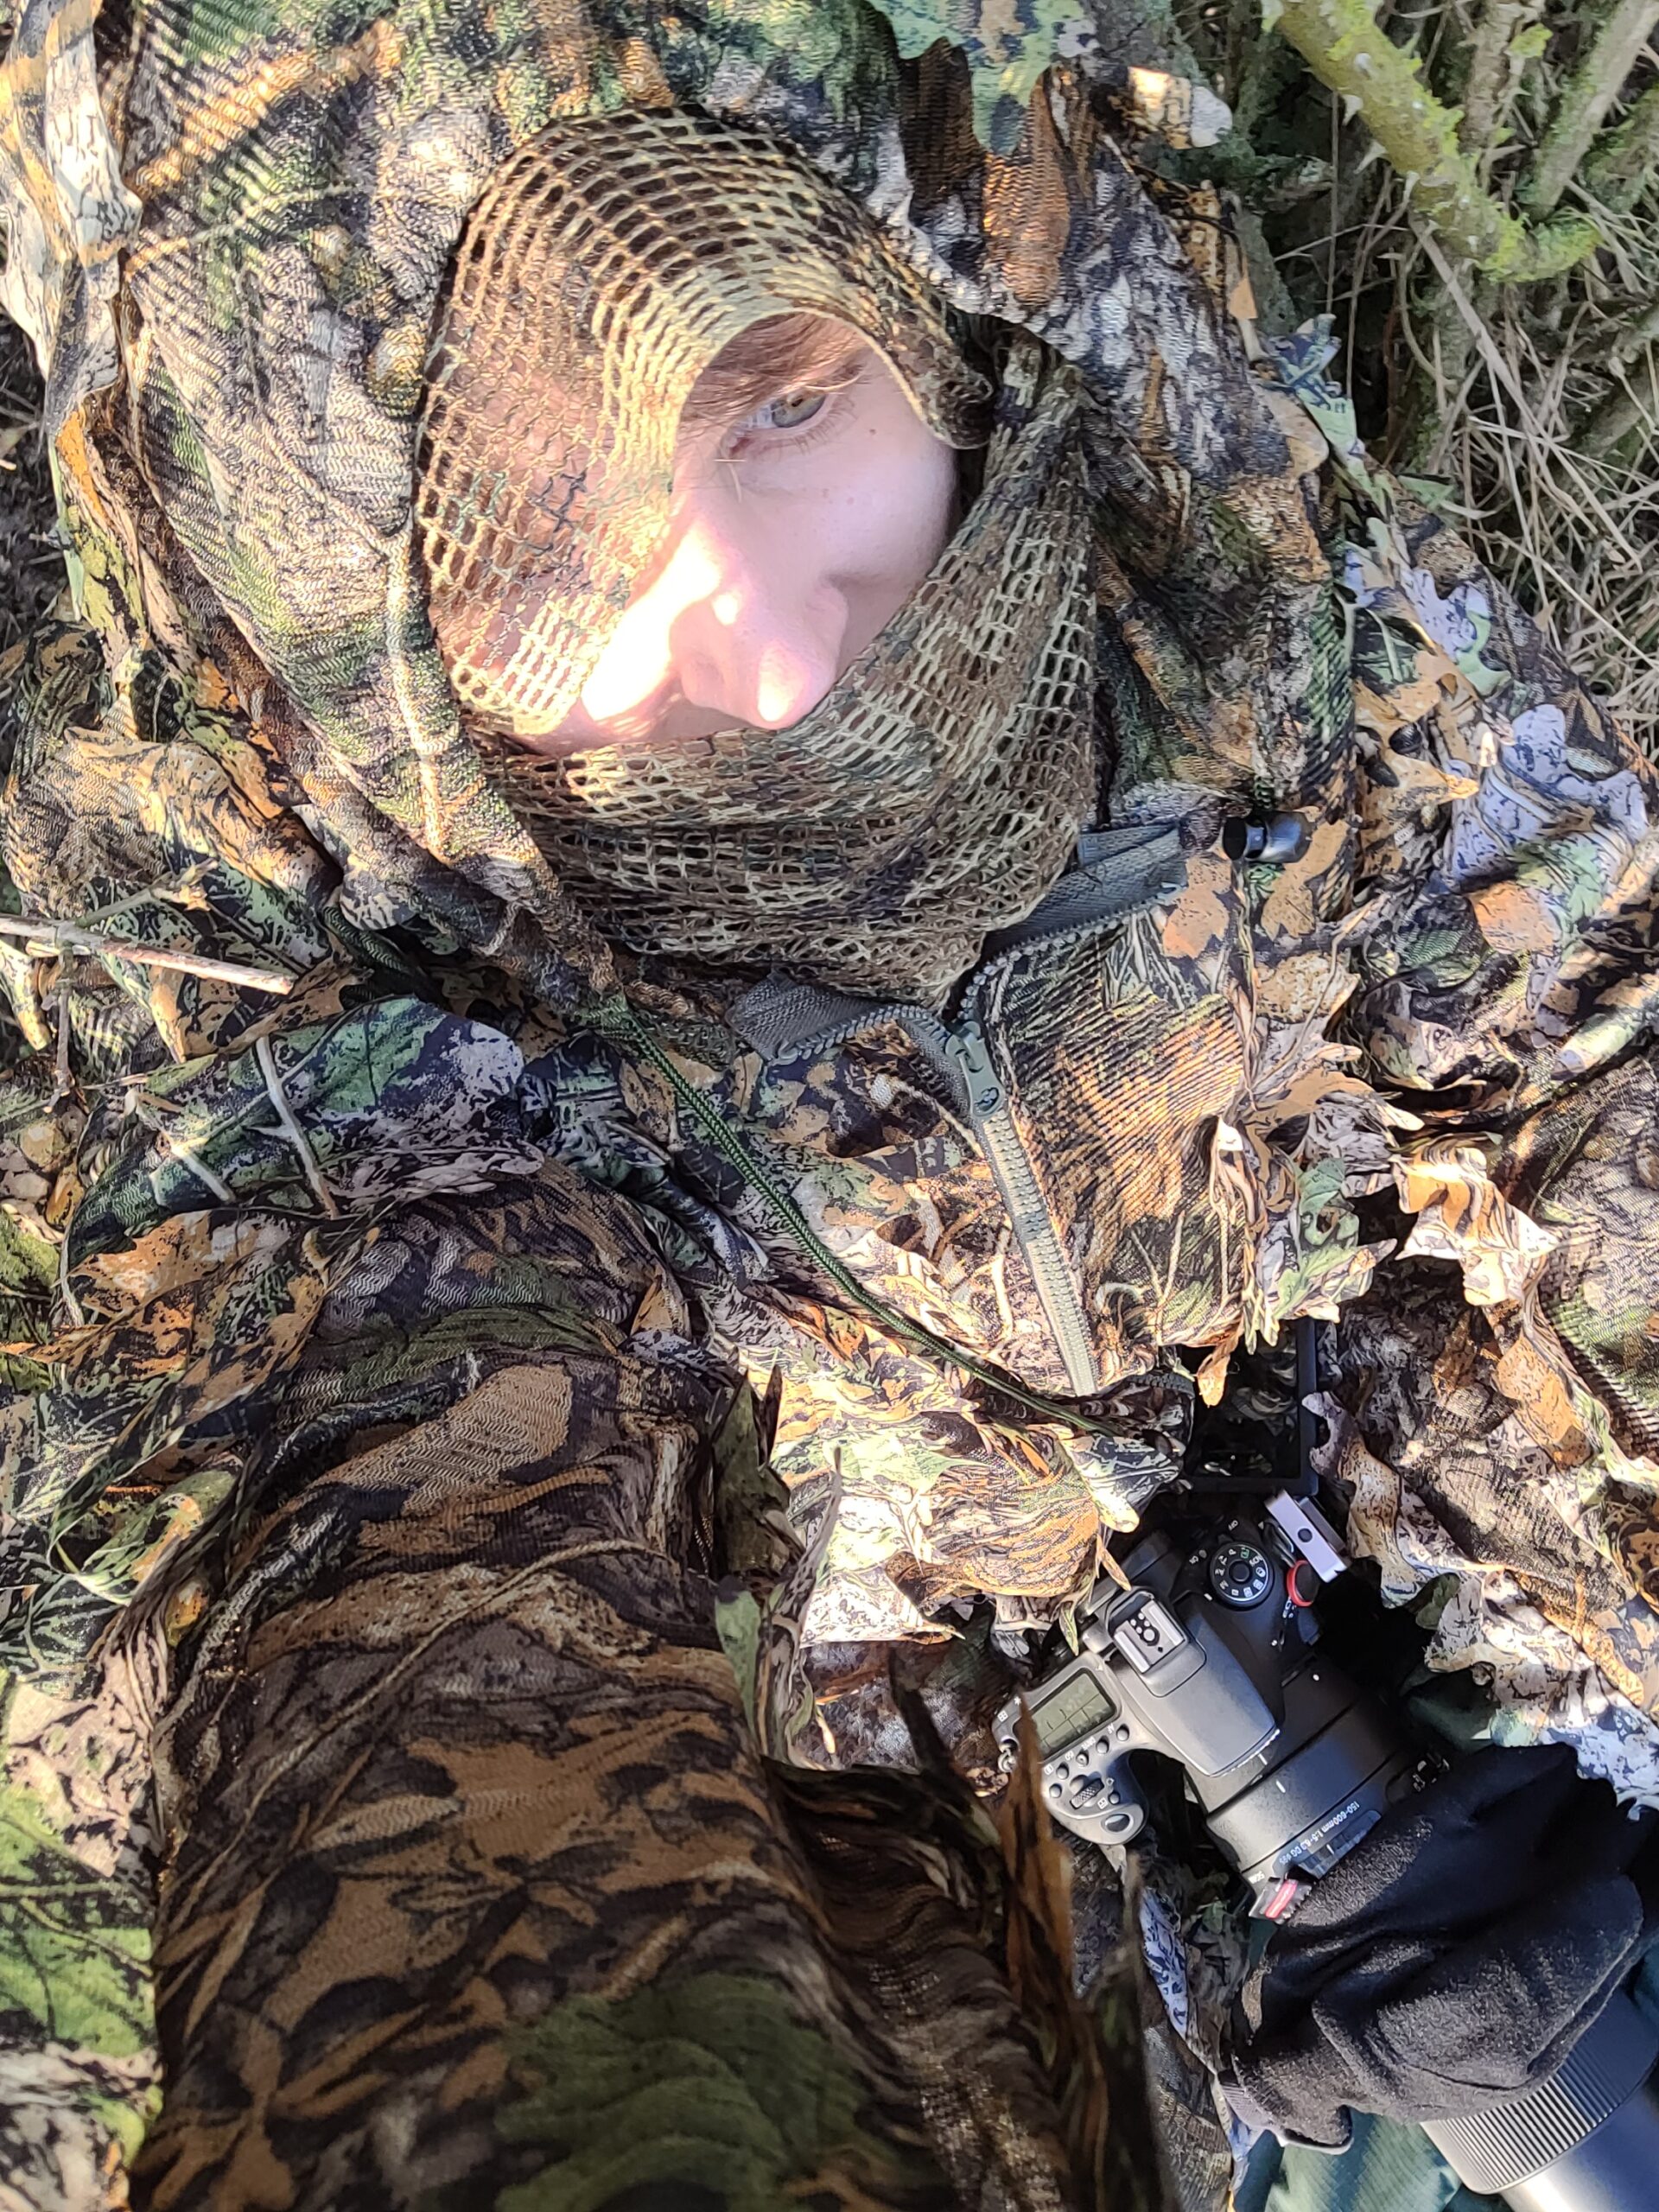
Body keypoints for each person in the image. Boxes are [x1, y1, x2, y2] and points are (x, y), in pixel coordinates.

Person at [0, 4, 1656, 2209]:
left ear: (928, 306)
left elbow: (1585, 1054)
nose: (784, 663)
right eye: (553, 565)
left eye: (786, 403)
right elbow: (401, 1609)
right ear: (364, 656)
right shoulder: (349, 1129)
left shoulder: (1238, 617)